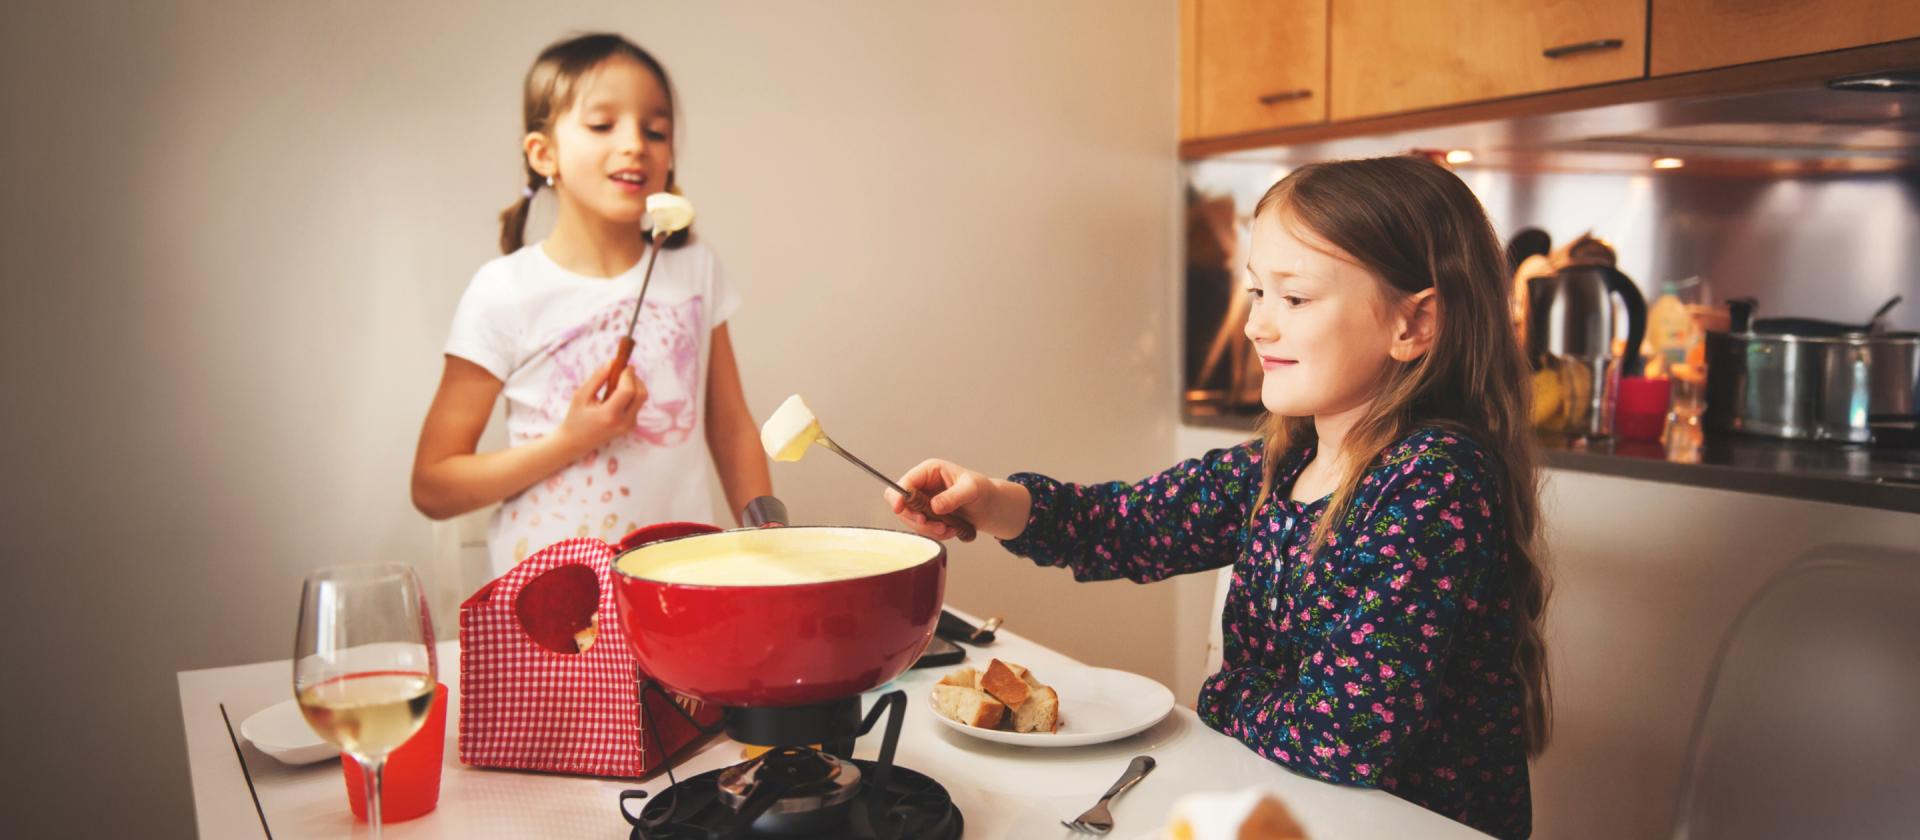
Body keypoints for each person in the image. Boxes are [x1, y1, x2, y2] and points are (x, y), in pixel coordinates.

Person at [890, 156, 1550, 839]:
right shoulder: (1286, 457)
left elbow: (1342, 738)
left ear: (1413, 325)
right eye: (1257, 293)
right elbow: (1129, 524)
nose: (1257, 326)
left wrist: (1223, 695)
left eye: (1293, 298)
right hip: (1299, 805)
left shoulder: (1433, 481)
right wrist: (995, 501)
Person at [412, 33, 769, 575]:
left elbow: (731, 425)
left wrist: (769, 536)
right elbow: (433, 486)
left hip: (678, 586)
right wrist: (572, 440)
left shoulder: (696, 268)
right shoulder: (503, 290)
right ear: (542, 153)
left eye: (656, 130)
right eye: (603, 124)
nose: (635, 144)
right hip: (550, 604)